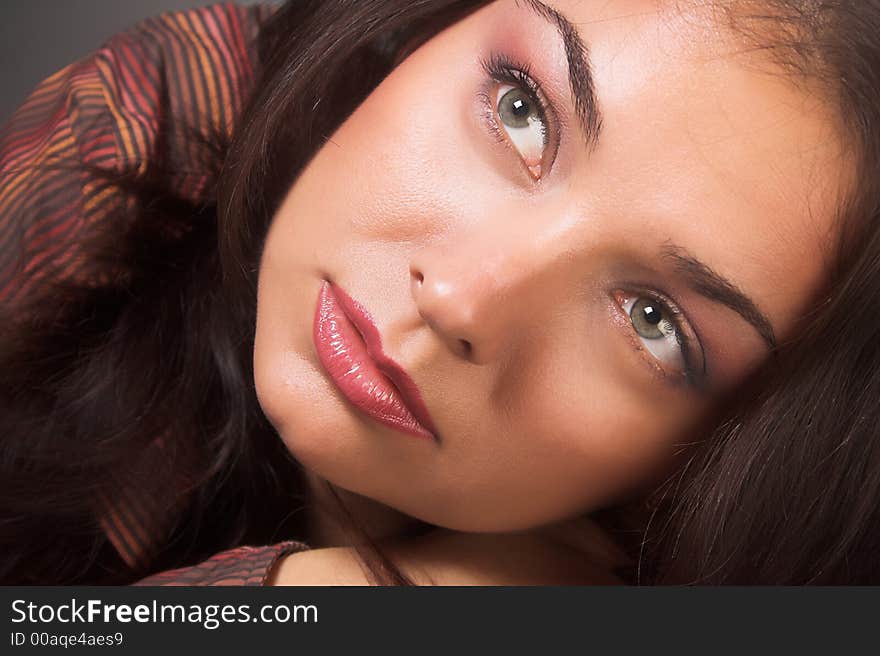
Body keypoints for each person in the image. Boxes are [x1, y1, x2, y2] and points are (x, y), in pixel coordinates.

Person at [2, 0, 879, 586]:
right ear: (427, 25)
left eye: (654, 321)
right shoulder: (150, 133)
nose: (460, 297)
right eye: (521, 109)